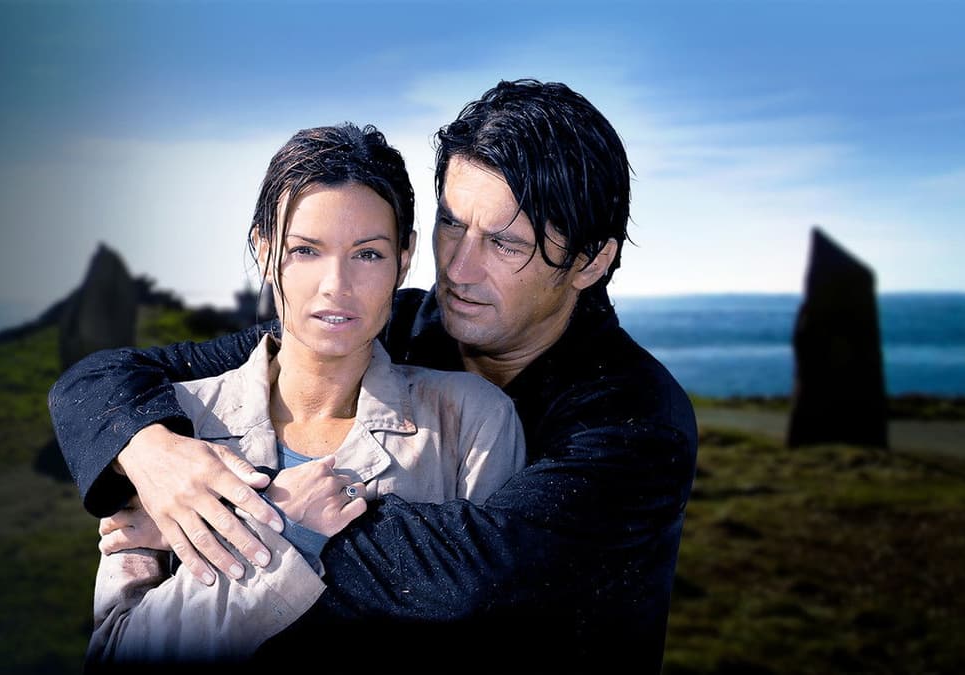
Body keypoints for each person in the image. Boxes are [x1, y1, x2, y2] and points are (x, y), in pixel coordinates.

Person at [50, 79, 698, 673]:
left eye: (506, 243)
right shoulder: (389, 321)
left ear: (590, 260)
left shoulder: (638, 419)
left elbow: (481, 574)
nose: (459, 269)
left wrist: (239, 519)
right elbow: (107, 378)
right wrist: (149, 450)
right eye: (452, 224)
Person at [81, 122, 526, 667]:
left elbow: (492, 635)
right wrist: (285, 527)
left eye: (368, 254)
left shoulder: (471, 420)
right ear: (264, 249)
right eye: (306, 250)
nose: (335, 285)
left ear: (405, 257)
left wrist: (256, 528)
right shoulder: (168, 433)